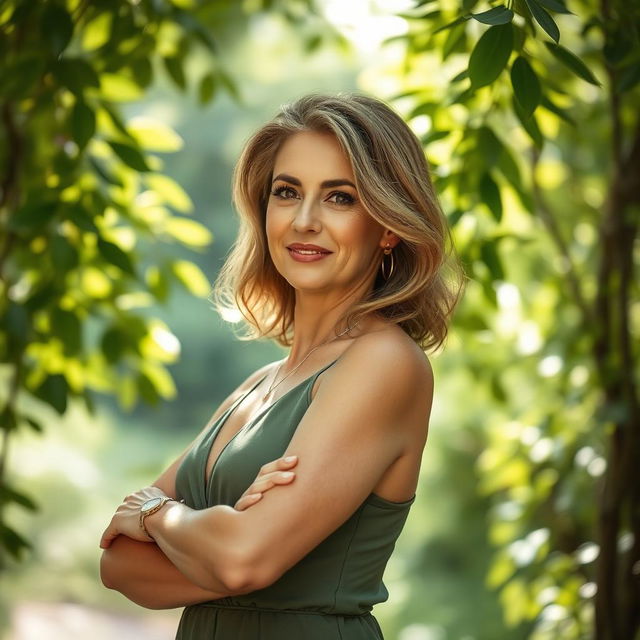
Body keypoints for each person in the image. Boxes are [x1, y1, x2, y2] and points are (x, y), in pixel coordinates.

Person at [99, 92, 465, 639]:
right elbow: (118, 565)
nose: (305, 220)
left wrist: (157, 514)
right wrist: (222, 542)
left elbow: (243, 561)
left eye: (340, 197)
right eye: (287, 192)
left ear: (388, 226)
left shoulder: (385, 363)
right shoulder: (259, 386)